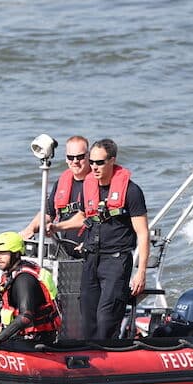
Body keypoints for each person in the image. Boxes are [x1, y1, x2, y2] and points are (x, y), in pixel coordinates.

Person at [78, 138, 149, 340]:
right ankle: (87, 359)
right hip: (92, 259)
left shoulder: (132, 191)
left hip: (116, 261)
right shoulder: (88, 186)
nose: (94, 167)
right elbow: (84, 217)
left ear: (112, 160)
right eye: (91, 162)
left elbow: (143, 233)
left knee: (106, 317)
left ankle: (109, 357)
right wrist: (55, 226)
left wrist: (140, 272)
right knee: (88, 318)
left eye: (99, 162)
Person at [0, 231, 61, 348]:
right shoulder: (11, 275)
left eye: (3, 253)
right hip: (22, 335)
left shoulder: (24, 279)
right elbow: (5, 311)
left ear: (16, 254)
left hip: (36, 339)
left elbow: (26, 317)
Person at [20, 135, 90, 252]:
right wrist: (30, 229)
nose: (75, 161)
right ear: (66, 159)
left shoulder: (97, 183)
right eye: (71, 157)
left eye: (80, 157)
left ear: (88, 156)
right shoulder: (62, 182)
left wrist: (56, 227)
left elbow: (86, 218)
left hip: (88, 250)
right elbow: (48, 214)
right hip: (64, 250)